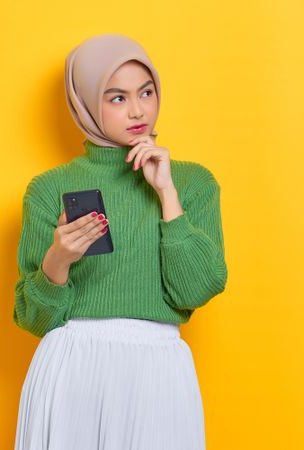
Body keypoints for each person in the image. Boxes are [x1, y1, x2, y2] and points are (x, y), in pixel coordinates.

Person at [12, 33, 228, 450]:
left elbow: (197, 289)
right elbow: (33, 318)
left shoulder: (192, 183)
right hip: (72, 370)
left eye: (146, 92)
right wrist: (59, 258)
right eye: (116, 98)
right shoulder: (49, 188)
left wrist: (167, 195)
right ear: (87, 104)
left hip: (158, 371)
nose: (137, 110)